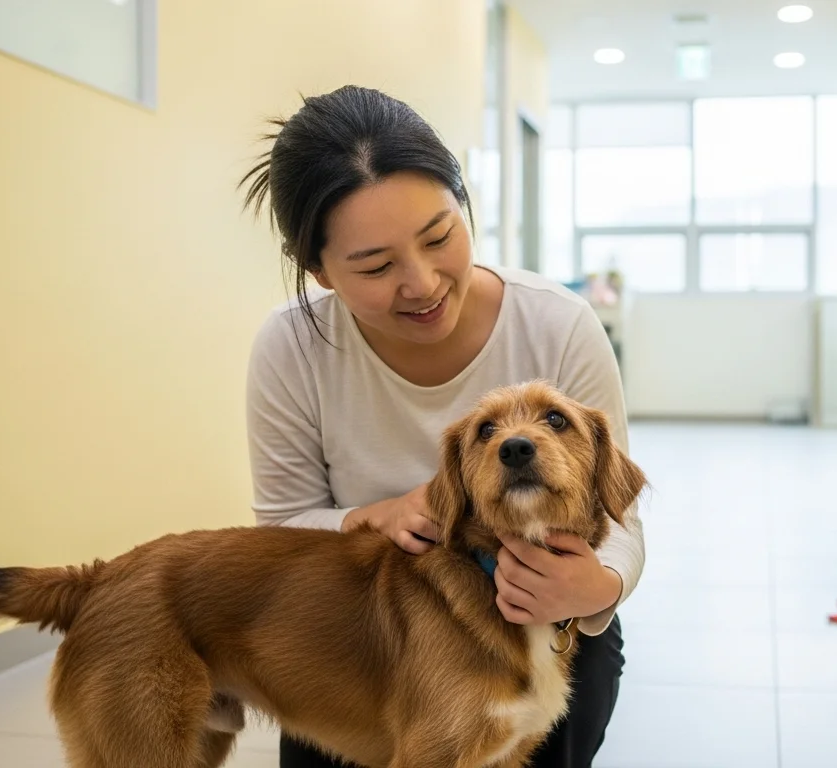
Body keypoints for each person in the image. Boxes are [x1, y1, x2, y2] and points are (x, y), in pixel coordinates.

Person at [239, 85, 645, 768]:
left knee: (586, 675)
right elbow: (280, 529)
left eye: (439, 237)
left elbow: (619, 512)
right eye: (376, 266)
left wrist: (600, 585)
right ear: (319, 271)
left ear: (464, 206)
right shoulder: (291, 347)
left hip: (546, 607)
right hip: (364, 625)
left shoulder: (559, 323)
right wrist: (368, 518)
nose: (423, 283)